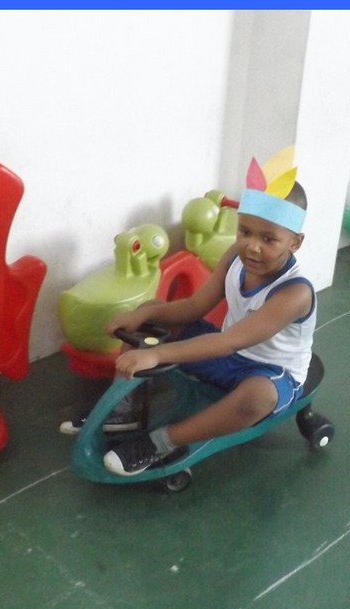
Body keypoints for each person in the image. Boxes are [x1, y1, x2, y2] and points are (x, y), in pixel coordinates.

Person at [97, 157, 317, 476]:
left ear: (295, 242)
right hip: (225, 354)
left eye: (268, 239)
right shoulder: (235, 256)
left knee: (258, 398)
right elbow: (194, 307)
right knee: (151, 313)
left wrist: (157, 354)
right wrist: (140, 314)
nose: (252, 247)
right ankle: (123, 411)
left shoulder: (294, 293)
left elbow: (230, 341)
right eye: (245, 231)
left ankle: (162, 442)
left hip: (268, 371)